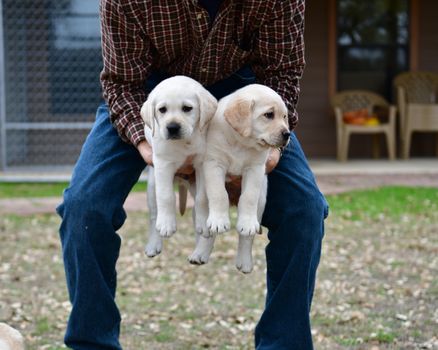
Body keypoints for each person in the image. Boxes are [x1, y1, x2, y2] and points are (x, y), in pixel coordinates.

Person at [56, 0, 329, 349]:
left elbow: (282, 76)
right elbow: (122, 84)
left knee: (304, 210)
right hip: (151, 97)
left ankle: (284, 344)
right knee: (83, 207)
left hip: (243, 102)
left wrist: (270, 151)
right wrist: (147, 146)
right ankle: (91, 344)